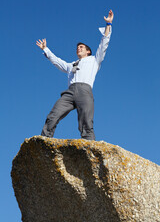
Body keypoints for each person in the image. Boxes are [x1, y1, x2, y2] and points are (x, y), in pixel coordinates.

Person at [36, 9, 114, 140]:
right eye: (78, 47)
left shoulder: (94, 60)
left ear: (88, 51)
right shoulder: (71, 64)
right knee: (53, 114)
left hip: (85, 91)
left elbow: (104, 44)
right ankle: (44, 140)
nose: (79, 48)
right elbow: (57, 62)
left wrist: (108, 25)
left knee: (86, 122)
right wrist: (46, 49)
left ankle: (89, 146)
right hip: (70, 92)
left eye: (82, 47)